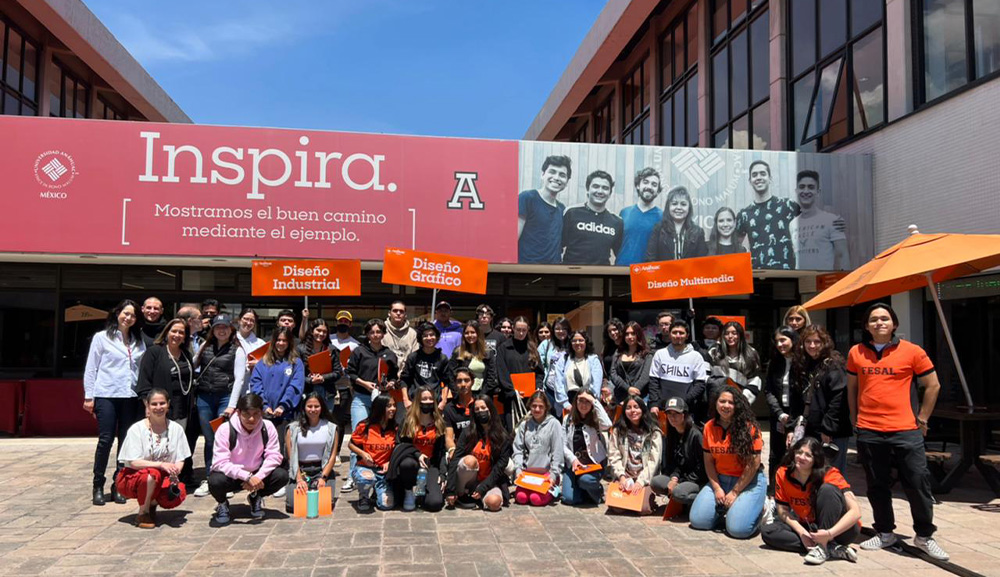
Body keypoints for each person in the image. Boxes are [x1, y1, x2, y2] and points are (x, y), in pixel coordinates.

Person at [848, 303, 948, 560]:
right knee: (877, 485)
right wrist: (854, 418)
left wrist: (923, 419)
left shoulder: (912, 351)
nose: (879, 323)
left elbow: (933, 385)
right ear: (866, 326)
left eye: (884, 319)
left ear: (894, 324)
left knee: (917, 483)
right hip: (869, 429)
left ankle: (924, 536)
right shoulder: (856, 352)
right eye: (873, 320)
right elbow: (852, 388)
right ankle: (884, 533)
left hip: (906, 430)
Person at [83, 299, 145, 506]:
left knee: (125, 442)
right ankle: (97, 485)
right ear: (117, 313)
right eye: (125, 313)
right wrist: (88, 396)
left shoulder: (138, 341)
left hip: (130, 396)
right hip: (107, 394)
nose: (128, 318)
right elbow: (91, 368)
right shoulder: (102, 338)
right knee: (106, 440)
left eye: (133, 315)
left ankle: (118, 485)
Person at [762, 437, 861, 565]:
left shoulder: (830, 474)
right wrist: (802, 533)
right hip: (811, 526)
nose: (801, 457)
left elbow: (856, 512)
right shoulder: (783, 473)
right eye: (799, 452)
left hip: (841, 530)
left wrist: (829, 534)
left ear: (816, 459)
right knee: (768, 531)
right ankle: (829, 548)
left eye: (808, 455)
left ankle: (825, 545)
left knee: (828, 490)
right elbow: (782, 510)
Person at [690, 387, 767, 539]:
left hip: (748, 482)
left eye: (731, 402)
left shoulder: (750, 428)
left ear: (737, 405)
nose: (726, 405)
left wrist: (735, 492)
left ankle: (761, 510)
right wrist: (717, 488)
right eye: (722, 401)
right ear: (716, 404)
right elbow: (709, 462)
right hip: (721, 479)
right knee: (699, 521)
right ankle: (733, 512)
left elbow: (753, 464)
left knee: (738, 530)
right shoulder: (709, 427)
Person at [115, 388, 190, 528]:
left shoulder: (176, 429)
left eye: (162, 403)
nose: (158, 407)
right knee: (151, 474)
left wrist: (175, 472)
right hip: (134, 476)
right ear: (147, 406)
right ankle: (143, 513)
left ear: (168, 405)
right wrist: (161, 465)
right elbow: (133, 462)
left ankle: (152, 502)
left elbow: (181, 458)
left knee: (175, 493)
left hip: (163, 476)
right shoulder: (136, 429)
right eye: (154, 404)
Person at [209, 393, 288, 525]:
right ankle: (222, 503)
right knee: (215, 481)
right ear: (238, 413)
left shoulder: (267, 427)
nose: (252, 419)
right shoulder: (225, 429)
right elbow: (220, 462)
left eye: (256, 414)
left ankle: (256, 497)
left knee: (282, 476)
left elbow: (274, 456)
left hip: (257, 472)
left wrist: (258, 477)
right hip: (232, 474)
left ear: (261, 413)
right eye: (247, 414)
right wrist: (246, 477)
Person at [136, 318, 195, 485]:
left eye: (181, 332)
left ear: (185, 336)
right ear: (167, 333)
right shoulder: (154, 352)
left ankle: (176, 477)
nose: (177, 335)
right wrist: (148, 405)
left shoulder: (186, 354)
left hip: (182, 406)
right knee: (159, 442)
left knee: (176, 442)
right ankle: (155, 478)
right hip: (160, 407)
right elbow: (144, 382)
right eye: (173, 331)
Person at [248, 326, 304, 500]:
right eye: (278, 340)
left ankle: (282, 479)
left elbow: (296, 385)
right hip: (265, 414)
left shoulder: (296, 362)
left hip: (285, 413)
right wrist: (264, 406)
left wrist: (283, 405)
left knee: (283, 448)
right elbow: (256, 385)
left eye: (284, 341)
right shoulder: (263, 362)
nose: (281, 343)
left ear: (289, 343)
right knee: (263, 448)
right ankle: (261, 479)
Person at [345, 319, 399, 492]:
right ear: (367, 334)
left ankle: (378, 469)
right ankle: (352, 475)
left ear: (383, 334)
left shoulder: (389, 354)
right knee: (359, 435)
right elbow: (350, 373)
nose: (375, 335)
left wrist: (390, 384)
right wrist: (365, 384)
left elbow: (393, 376)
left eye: (378, 332)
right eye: (372, 332)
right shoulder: (359, 351)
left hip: (381, 400)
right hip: (362, 397)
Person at [790, 325, 851, 473]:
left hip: (832, 432)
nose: (812, 346)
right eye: (808, 341)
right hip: (810, 428)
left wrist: (828, 429)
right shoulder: (801, 363)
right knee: (811, 473)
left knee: (831, 475)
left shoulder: (834, 363)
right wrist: (792, 427)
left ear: (825, 342)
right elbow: (796, 398)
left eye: (817, 341)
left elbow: (839, 399)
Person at [192, 314, 240, 498]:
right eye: (218, 327)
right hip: (204, 397)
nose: (222, 330)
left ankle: (225, 478)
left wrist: (232, 405)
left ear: (231, 329)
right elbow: (193, 364)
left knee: (223, 439)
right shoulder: (205, 347)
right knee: (209, 439)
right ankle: (209, 476)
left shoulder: (237, 350)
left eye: (225, 327)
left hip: (224, 397)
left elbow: (239, 379)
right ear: (213, 329)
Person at [445, 395, 512, 511]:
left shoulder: (502, 436)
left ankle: (477, 497)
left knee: (494, 503)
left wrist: (483, 488)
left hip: (489, 479)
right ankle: (461, 494)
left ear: (491, 409)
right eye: (477, 409)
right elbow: (455, 458)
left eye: (483, 408)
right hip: (469, 477)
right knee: (470, 461)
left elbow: (500, 466)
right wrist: (450, 489)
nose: (481, 411)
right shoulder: (468, 432)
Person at [735, 160, 799, 269]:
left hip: (787, 273)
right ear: (750, 181)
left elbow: (810, 219)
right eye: (754, 175)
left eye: (763, 174)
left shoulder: (788, 205)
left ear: (770, 179)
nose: (759, 177)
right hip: (758, 274)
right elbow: (735, 244)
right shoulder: (744, 214)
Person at [391, 386, 446, 511]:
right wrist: (417, 454)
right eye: (424, 399)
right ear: (417, 401)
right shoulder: (407, 421)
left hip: (431, 465)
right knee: (407, 464)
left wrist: (443, 474)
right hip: (412, 462)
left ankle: (423, 494)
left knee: (435, 504)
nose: (427, 402)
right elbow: (401, 445)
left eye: (430, 398)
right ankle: (408, 491)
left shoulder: (439, 422)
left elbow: (442, 451)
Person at [651, 397, 706, 519]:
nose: (672, 417)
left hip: (696, 480)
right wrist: (674, 478)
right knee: (656, 482)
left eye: (676, 413)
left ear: (684, 415)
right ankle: (680, 500)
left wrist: (681, 481)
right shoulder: (672, 433)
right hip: (681, 477)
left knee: (678, 492)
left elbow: (703, 467)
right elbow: (673, 462)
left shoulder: (696, 435)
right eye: (669, 413)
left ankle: (699, 501)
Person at [607, 394, 662, 515]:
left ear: (642, 409)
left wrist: (640, 482)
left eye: (636, 407)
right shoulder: (618, 430)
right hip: (625, 476)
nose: (632, 411)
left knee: (643, 509)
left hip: (644, 477)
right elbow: (613, 455)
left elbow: (654, 461)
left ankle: (648, 498)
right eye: (628, 407)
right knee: (617, 508)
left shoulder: (653, 431)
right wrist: (621, 476)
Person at [284, 392, 338, 513]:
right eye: (309, 406)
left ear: (322, 407)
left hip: (321, 470)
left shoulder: (331, 428)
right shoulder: (292, 428)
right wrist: (299, 479)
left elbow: (332, 456)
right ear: (304, 407)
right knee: (295, 507)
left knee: (324, 506)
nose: (313, 409)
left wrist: (323, 478)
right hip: (301, 470)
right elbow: (291, 457)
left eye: (316, 406)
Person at [763, 326, 801, 496]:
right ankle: (774, 492)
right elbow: (769, 391)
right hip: (779, 415)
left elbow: (804, 394)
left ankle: (794, 491)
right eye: (777, 341)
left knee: (796, 454)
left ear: (793, 339)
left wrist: (792, 419)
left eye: (783, 340)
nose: (780, 344)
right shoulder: (774, 362)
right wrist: (780, 414)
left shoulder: (802, 362)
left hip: (798, 415)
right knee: (775, 455)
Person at [511, 391, 564, 506]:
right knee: (521, 497)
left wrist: (554, 474)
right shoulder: (524, 425)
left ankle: (551, 491)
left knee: (535, 499)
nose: (537, 409)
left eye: (541, 406)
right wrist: (518, 470)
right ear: (530, 406)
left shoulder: (554, 424)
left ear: (546, 408)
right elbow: (518, 449)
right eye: (534, 406)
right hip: (527, 473)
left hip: (546, 474)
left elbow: (558, 451)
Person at [789, 170, 850, 271]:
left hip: (823, 281)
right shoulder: (792, 224)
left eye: (811, 187)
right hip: (800, 281)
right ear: (796, 191)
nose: (806, 191)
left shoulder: (832, 220)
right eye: (802, 187)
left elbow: (842, 254)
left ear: (818, 192)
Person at [561, 170, 624, 265]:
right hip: (571, 275)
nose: (600, 191)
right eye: (595, 186)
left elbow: (620, 253)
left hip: (601, 276)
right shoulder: (571, 213)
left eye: (605, 188)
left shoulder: (617, 221)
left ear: (610, 193)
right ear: (588, 189)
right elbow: (558, 245)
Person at [648, 320, 709, 419]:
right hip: (661, 408)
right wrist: (654, 403)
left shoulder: (696, 356)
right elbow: (653, 381)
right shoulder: (660, 354)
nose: (677, 335)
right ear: (670, 334)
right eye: (674, 332)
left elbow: (700, 384)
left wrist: (685, 401)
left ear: (687, 335)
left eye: (681, 333)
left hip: (685, 409)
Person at [561, 389, 612, 506]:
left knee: (586, 480)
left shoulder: (596, 419)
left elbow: (608, 424)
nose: (583, 405)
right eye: (581, 401)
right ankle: (584, 491)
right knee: (568, 499)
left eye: (587, 401)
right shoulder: (568, 419)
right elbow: (562, 444)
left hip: (593, 464)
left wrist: (594, 401)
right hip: (574, 465)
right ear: (575, 402)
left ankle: (596, 491)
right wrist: (573, 459)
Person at [518, 155, 571, 264]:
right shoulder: (527, 198)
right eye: (552, 172)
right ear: (542, 174)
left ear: (566, 181)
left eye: (562, 175)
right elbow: (513, 238)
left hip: (552, 272)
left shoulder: (562, 209)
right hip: (526, 270)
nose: (556, 178)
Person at [349, 393, 398, 511]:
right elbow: (350, 444)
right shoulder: (364, 426)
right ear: (380, 408)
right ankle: (363, 496)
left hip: (383, 471)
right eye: (389, 406)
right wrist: (363, 454)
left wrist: (390, 462)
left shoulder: (395, 428)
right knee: (367, 478)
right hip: (365, 468)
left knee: (387, 505)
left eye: (394, 405)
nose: (393, 409)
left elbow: (397, 449)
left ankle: (377, 493)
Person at [495, 317, 541, 430]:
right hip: (512, 400)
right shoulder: (504, 348)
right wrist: (511, 391)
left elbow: (539, 372)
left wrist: (538, 387)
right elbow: (502, 372)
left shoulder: (532, 348)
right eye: (518, 330)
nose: (521, 333)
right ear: (513, 329)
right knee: (514, 432)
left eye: (524, 330)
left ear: (528, 330)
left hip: (531, 399)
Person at [330, 309, 360, 472]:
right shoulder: (328, 340)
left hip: (344, 386)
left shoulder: (355, 344)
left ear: (350, 324)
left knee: (339, 422)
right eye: (340, 321)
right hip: (327, 384)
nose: (343, 323)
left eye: (346, 321)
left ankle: (336, 453)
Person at [645, 185, 708, 262]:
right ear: (668, 207)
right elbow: (650, 260)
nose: (678, 207)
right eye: (674, 204)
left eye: (683, 204)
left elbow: (702, 263)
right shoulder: (658, 229)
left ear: (689, 208)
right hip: (663, 273)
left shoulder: (698, 232)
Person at [707, 321, 763, 405]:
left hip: (741, 401)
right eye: (726, 333)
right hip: (718, 401)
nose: (730, 336)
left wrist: (743, 400)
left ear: (740, 335)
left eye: (734, 333)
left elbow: (754, 380)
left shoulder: (751, 354)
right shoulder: (714, 352)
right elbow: (707, 377)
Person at [618, 167, 664, 266]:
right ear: (638, 185)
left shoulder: (663, 217)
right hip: (622, 271)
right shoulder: (624, 213)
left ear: (658, 191)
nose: (649, 187)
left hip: (648, 273)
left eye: (654, 184)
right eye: (645, 182)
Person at [551, 330, 603, 416]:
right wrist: (565, 403)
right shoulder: (563, 359)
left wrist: (590, 402)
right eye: (574, 341)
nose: (577, 343)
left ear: (586, 342)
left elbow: (596, 384)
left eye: (581, 340)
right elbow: (558, 383)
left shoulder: (593, 360)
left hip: (588, 401)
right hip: (569, 402)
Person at [296, 318, 343, 410]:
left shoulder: (332, 349)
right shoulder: (300, 349)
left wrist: (323, 378)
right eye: (318, 330)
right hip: (306, 392)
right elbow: (296, 374)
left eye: (324, 332)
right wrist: (310, 380)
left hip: (327, 394)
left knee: (326, 422)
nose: (321, 334)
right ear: (312, 331)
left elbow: (338, 372)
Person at [401, 322, 449, 407]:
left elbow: (446, 381)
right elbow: (404, 379)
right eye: (425, 336)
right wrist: (406, 400)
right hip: (415, 401)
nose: (429, 338)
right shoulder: (413, 357)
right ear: (420, 338)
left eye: (432, 335)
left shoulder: (442, 358)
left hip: (435, 401)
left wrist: (443, 401)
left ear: (437, 337)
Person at [228, 308, 264, 417]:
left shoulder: (260, 343)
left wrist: (259, 364)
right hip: (229, 386)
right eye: (245, 319)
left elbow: (269, 366)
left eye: (252, 320)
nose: (248, 323)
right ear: (239, 320)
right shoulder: (230, 340)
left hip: (251, 387)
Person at [446, 321, 497, 396]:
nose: (470, 335)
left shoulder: (488, 352)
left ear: (478, 334)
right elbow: (451, 375)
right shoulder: (458, 352)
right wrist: (458, 394)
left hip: (483, 394)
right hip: (462, 395)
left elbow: (492, 377)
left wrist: (481, 396)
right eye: (466, 333)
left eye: (473, 332)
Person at [610, 321, 653, 405]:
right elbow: (613, 373)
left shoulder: (647, 354)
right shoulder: (618, 352)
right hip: (619, 397)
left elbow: (645, 377)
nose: (630, 337)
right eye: (627, 334)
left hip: (639, 398)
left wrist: (633, 392)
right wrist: (627, 389)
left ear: (639, 335)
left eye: (633, 333)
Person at [539, 317, 571, 411]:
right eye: (557, 328)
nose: (560, 331)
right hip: (550, 390)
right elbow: (539, 365)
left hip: (568, 390)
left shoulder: (573, 344)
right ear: (553, 330)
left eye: (564, 328)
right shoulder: (546, 344)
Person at [443, 367, 476, 458]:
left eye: (466, 380)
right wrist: (452, 450)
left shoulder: (480, 404)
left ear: (472, 382)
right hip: (460, 451)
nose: (463, 384)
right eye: (459, 381)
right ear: (454, 383)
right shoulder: (449, 409)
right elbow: (448, 437)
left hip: (480, 449)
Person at [384, 300, 418, 368]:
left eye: (401, 311)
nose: (398, 313)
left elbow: (415, 356)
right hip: (385, 372)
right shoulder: (382, 330)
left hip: (406, 373)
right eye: (395, 310)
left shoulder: (412, 334)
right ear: (389, 313)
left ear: (405, 315)